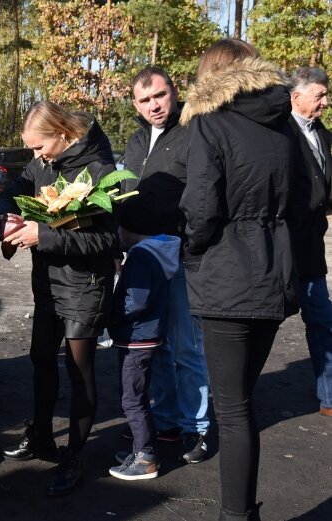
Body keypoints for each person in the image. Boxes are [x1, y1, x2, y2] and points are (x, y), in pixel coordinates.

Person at [179, 38, 299, 521]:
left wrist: (191, 246)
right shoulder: (284, 123)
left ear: (212, 75)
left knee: (232, 409)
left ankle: (236, 514)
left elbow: (201, 206)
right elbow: (308, 195)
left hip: (227, 274)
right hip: (274, 269)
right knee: (242, 400)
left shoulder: (211, 122)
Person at [0, 101, 118, 497]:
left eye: (39, 147)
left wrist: (43, 236)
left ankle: (75, 456)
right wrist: (4, 218)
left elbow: (107, 239)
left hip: (85, 284)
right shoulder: (43, 165)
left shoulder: (101, 169)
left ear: (63, 134)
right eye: (30, 150)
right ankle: (42, 435)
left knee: (80, 372)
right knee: (41, 359)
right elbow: (11, 190)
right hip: (47, 281)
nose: (35, 157)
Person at [121, 67, 211, 463]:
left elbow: (202, 195)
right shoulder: (136, 140)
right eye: (145, 100)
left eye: (159, 95)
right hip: (140, 257)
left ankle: (199, 428)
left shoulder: (192, 132)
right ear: (135, 105)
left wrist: (186, 241)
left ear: (174, 92)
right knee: (153, 345)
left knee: (187, 348)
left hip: (179, 256)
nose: (154, 105)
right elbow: (125, 193)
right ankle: (167, 420)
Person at [108, 192, 180, 481]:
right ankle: (141, 448)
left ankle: (145, 456)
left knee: (132, 399)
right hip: (152, 335)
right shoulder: (161, 250)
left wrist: (111, 314)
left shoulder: (140, 255)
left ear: (130, 229)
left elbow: (135, 301)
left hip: (137, 337)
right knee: (140, 394)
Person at [286, 66, 332, 418]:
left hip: (312, 248)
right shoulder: (279, 133)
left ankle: (329, 396)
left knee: (321, 320)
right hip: (283, 248)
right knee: (262, 326)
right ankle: (236, 400)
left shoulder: (324, 135)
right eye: (319, 95)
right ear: (295, 96)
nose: (325, 102)